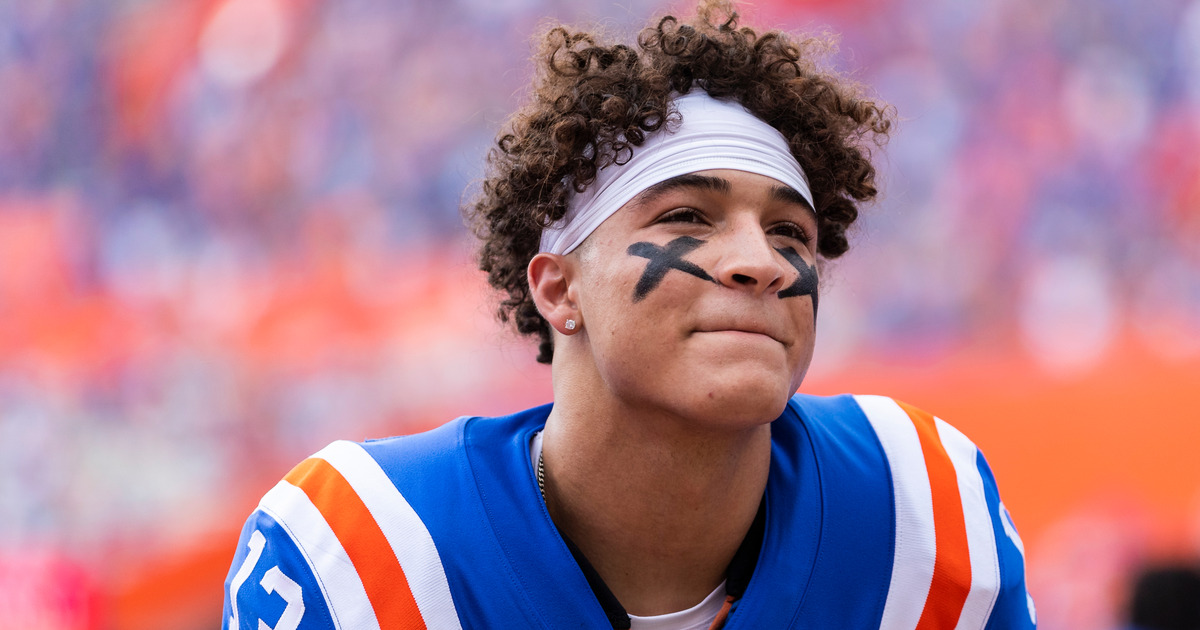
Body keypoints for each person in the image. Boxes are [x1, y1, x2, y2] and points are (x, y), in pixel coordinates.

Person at [222, 1, 1036, 628]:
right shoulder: (363, 550)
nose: (760, 260)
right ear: (557, 289)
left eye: (790, 232)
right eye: (686, 218)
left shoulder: (917, 510)